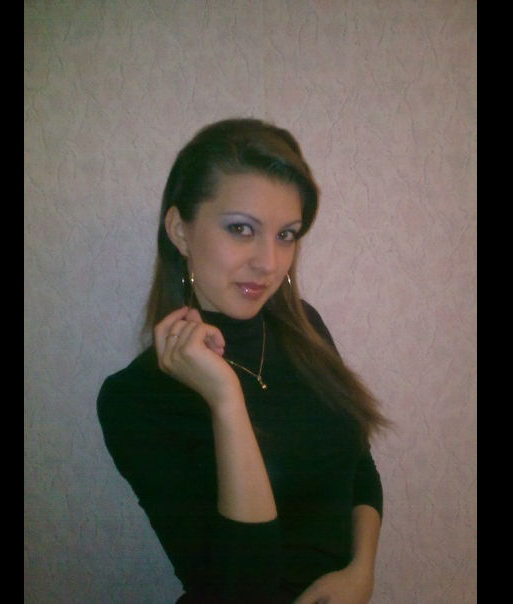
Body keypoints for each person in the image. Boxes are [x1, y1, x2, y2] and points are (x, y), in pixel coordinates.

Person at [97, 118, 390, 603]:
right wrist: (226, 400)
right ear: (180, 231)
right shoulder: (135, 399)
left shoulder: (305, 330)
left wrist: (362, 571)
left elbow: (358, 467)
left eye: (286, 234)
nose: (269, 263)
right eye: (241, 229)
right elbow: (240, 587)